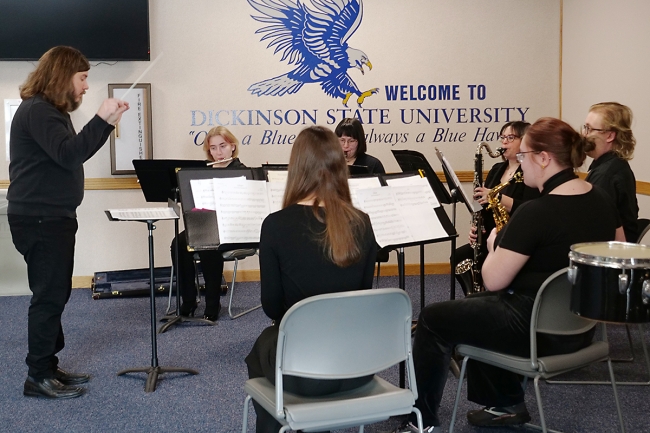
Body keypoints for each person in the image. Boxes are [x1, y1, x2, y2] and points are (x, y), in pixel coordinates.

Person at [395, 118, 623, 433]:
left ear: (544, 158)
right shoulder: (601, 198)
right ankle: (505, 404)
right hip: (582, 325)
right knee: (479, 304)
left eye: (524, 155)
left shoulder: (537, 212)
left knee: (434, 318)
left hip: (532, 330)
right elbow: (619, 249)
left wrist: (494, 242)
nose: (518, 161)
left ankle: (421, 420)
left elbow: (493, 279)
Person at [7, 46, 129, 399]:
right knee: (49, 296)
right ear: (63, 76)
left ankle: (48, 366)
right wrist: (103, 119)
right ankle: (38, 376)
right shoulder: (39, 111)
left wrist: (105, 123)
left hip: (49, 217)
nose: (86, 86)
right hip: (40, 219)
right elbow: (69, 154)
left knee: (55, 293)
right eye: (83, 77)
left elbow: (69, 152)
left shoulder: (46, 111)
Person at [245, 126, 378, 433]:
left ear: (297, 167)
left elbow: (272, 306)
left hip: (301, 367)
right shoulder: (362, 221)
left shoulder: (276, 225)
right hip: (357, 366)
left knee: (260, 350)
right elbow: (361, 295)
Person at [455, 121, 540, 295]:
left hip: (512, 237)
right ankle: (472, 295)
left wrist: (497, 197)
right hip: (489, 235)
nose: (504, 142)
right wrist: (476, 228)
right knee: (458, 257)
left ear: (525, 142)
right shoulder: (496, 169)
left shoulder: (529, 172)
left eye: (510, 138)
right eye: (503, 138)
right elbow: (482, 203)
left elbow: (529, 208)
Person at [171, 126, 245, 321]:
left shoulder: (242, 171)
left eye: (223, 146)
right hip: (205, 224)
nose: (218, 153)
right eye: (213, 148)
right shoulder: (202, 170)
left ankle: (213, 303)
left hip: (233, 228)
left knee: (208, 243)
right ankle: (188, 301)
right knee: (178, 243)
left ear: (232, 146)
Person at [582, 102, 639, 242]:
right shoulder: (617, 165)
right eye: (585, 127)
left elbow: (591, 226)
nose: (583, 134)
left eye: (589, 129)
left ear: (609, 136)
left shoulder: (606, 175)